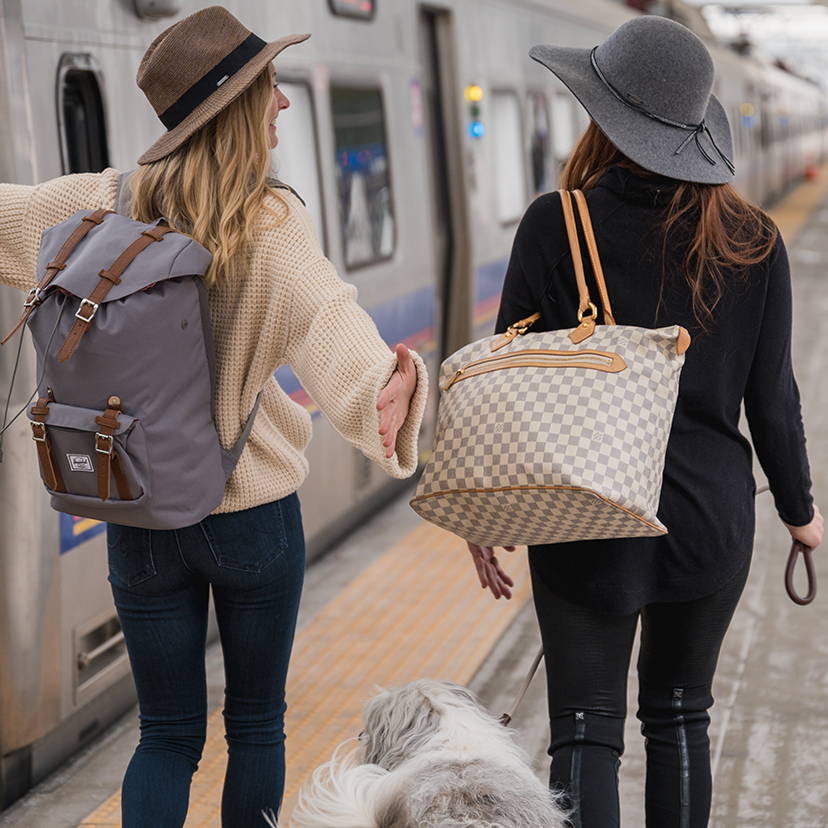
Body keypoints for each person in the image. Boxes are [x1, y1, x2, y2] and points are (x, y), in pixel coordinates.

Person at [0, 6, 428, 827]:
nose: (284, 104)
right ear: (240, 105)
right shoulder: (269, 226)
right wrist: (385, 389)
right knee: (256, 725)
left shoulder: (99, 201)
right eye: (272, 88)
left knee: (163, 734)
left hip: (136, 508)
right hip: (251, 519)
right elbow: (330, 321)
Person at [465, 16, 822, 828]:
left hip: (587, 516)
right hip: (708, 519)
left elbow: (507, 387)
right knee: (680, 715)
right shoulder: (755, 241)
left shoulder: (555, 224)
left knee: (585, 728)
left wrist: (488, 512)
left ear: (603, 115)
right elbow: (774, 399)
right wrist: (800, 514)